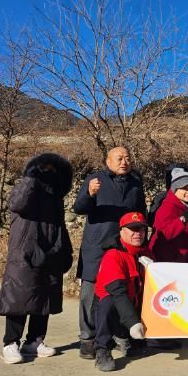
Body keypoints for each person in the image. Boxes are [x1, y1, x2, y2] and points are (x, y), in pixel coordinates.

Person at [0, 153, 74, 364]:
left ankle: (34, 341)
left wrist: (66, 250)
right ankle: (10, 343)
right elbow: (17, 205)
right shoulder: (26, 190)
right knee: (19, 295)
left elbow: (61, 226)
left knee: (44, 297)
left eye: (53, 170)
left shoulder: (55, 197)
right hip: (25, 253)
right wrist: (31, 177)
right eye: (44, 169)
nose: (49, 173)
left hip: (51, 252)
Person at [73, 146, 147, 359]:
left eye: (127, 158)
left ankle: (119, 335)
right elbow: (79, 208)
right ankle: (87, 339)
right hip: (97, 245)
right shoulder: (95, 180)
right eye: (119, 158)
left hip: (124, 247)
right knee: (90, 293)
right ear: (108, 161)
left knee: (125, 291)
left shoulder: (135, 184)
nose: (124, 162)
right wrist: (89, 194)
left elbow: (141, 214)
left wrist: (141, 242)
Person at [93, 212, 152, 372]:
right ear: (121, 231)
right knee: (108, 302)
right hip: (115, 308)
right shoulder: (113, 255)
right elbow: (117, 291)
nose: (138, 233)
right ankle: (102, 348)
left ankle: (127, 339)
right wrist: (133, 323)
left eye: (141, 229)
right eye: (133, 229)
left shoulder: (146, 253)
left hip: (133, 304)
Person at [149, 167, 188, 263]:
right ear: (175, 189)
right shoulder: (168, 207)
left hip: (180, 259)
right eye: (185, 188)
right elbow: (163, 234)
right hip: (166, 260)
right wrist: (181, 221)